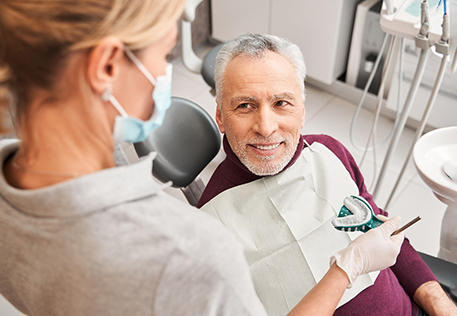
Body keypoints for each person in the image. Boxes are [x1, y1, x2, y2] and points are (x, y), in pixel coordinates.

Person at [0, 1, 404, 315]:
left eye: (282, 102)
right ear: (106, 66)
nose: (164, 73)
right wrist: (345, 270)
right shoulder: (191, 249)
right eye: (165, 54)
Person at [197, 33, 457, 316]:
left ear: (303, 111)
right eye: (245, 105)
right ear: (221, 117)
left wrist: (439, 303)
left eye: (281, 103)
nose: (266, 127)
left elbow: (382, 227)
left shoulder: (328, 151)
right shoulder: (208, 227)